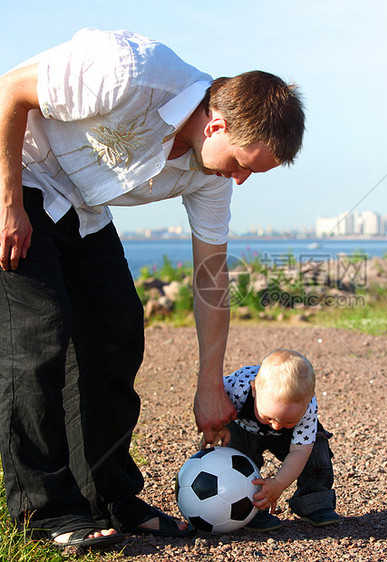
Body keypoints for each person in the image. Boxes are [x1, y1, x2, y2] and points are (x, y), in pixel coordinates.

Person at [0, 28, 304, 549]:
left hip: (81, 207)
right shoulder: (129, 72)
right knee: (40, 333)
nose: (238, 181)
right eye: (240, 165)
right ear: (217, 125)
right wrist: (6, 203)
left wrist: (211, 383)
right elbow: (9, 92)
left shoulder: (211, 174)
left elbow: (211, 275)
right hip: (17, 174)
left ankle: (109, 497)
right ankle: (42, 509)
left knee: (117, 330)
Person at [222, 349, 340, 531]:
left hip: (291, 436)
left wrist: (278, 484)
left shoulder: (307, 408)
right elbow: (210, 400)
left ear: (308, 400)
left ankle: (315, 501)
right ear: (254, 390)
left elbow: (300, 452)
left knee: (316, 452)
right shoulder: (236, 387)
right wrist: (215, 428)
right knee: (238, 459)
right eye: (268, 417)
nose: (276, 426)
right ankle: (247, 508)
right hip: (244, 428)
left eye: (288, 420)